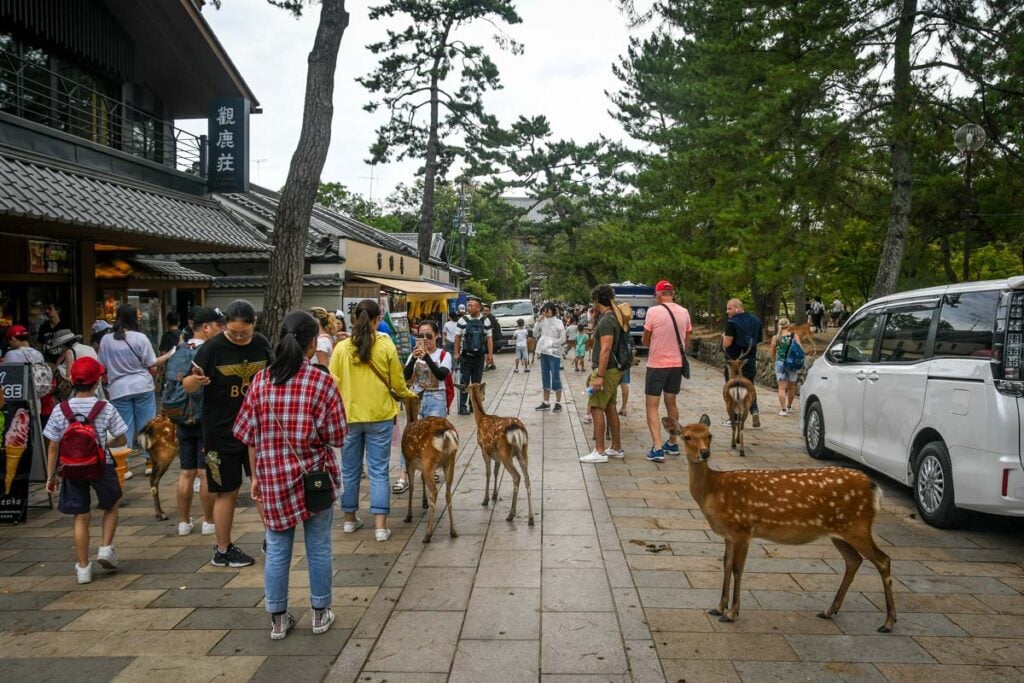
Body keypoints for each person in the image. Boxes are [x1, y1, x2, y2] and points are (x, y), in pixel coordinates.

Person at [234, 310, 347, 640]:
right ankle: (320, 611)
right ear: (313, 343)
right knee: (320, 547)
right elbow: (337, 435)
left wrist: (255, 475)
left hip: (272, 479)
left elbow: (246, 433)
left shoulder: (260, 381)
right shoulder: (321, 381)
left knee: (278, 549)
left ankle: (278, 619)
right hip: (315, 479)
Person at [185, 300, 273, 569]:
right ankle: (223, 549)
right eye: (233, 332)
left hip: (257, 430)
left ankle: (273, 539)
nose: (237, 337)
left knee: (263, 487)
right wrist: (196, 382)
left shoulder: (262, 344)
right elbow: (187, 384)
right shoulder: (211, 349)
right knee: (227, 491)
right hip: (221, 431)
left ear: (253, 325)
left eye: (243, 333)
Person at [329, 299, 416, 542]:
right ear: (378, 319)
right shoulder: (386, 345)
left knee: (349, 470)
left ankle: (349, 520)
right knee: (378, 471)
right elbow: (398, 382)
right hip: (380, 415)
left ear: (354, 318)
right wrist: (409, 395)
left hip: (348, 417)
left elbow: (332, 383)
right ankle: (380, 526)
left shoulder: (341, 348)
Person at [43, 357, 127, 584]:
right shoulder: (105, 407)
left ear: (72, 380)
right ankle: (106, 548)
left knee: (81, 516)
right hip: (102, 465)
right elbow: (121, 437)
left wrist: (52, 476)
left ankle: (82, 568)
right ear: (98, 382)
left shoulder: (61, 410)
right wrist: (104, 445)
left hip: (71, 468)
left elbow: (53, 445)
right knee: (112, 504)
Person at [164, 307, 222, 537]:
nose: (221, 329)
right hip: (205, 417)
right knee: (205, 471)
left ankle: (184, 522)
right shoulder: (210, 351)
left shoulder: (178, 349)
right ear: (206, 328)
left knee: (186, 472)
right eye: (218, 325)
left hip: (180, 416)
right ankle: (208, 521)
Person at [393, 320, 453, 493]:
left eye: (428, 336)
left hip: (436, 398)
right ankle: (403, 476)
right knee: (410, 437)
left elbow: (441, 375)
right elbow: (404, 376)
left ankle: (431, 469)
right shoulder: (414, 355)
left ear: (437, 336)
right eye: (420, 335)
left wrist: (426, 357)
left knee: (432, 438)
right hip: (417, 400)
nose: (425, 339)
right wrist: (415, 358)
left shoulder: (443, 355)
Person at [98, 304, 168, 448]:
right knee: (147, 425)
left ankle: (124, 463)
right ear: (132, 319)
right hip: (142, 386)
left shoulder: (106, 340)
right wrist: (170, 353)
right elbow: (152, 362)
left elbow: (101, 364)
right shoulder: (141, 338)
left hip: (118, 389)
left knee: (124, 427)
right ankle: (149, 462)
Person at [641, 280, 692, 462]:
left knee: (652, 405)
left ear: (659, 294)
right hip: (676, 365)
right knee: (671, 402)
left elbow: (646, 340)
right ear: (673, 294)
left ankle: (657, 447)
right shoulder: (684, 312)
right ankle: (672, 442)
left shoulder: (653, 312)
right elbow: (687, 340)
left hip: (657, 364)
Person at [580, 285, 624, 463]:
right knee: (611, 407)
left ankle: (599, 451)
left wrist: (599, 375)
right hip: (615, 370)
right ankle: (616, 447)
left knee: (597, 407)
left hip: (605, 370)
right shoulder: (616, 317)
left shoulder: (606, 321)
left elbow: (605, 349)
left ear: (597, 301)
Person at [722, 298, 762, 427]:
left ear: (737, 308)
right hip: (749, 360)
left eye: (729, 308)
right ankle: (754, 410)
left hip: (734, 362)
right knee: (749, 386)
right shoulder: (756, 320)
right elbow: (759, 339)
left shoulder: (732, 323)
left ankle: (734, 417)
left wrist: (723, 338)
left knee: (732, 389)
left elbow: (727, 343)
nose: (727, 311)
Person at [454, 297, 493, 415]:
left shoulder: (486, 321)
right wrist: (456, 353)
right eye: (468, 305)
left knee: (477, 382)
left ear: (478, 307)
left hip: (479, 357)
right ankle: (462, 407)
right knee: (464, 382)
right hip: (466, 356)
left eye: (471, 305)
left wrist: (490, 354)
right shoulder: (462, 320)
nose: (469, 307)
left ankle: (473, 405)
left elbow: (489, 338)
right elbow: (457, 337)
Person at [533, 303, 567, 411]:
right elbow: (534, 333)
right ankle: (546, 401)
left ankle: (558, 402)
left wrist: (552, 343)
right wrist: (538, 321)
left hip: (554, 352)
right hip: (544, 352)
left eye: (547, 311)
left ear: (553, 311)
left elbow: (563, 338)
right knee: (545, 375)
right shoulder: (542, 321)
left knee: (555, 376)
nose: (545, 313)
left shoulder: (558, 322)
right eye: (544, 311)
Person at [769, 317, 802, 415]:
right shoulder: (794, 336)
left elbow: (772, 352)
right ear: (788, 325)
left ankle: (783, 410)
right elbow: (800, 348)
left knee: (781, 388)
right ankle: (789, 406)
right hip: (792, 363)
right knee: (792, 387)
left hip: (780, 363)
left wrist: (775, 359)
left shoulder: (776, 337)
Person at [481, 304, 501, 370]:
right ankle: (492, 365)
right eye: (484, 310)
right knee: (489, 352)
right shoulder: (483, 318)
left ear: (490, 311)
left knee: (487, 352)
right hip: (487, 338)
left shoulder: (491, 319)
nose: (485, 312)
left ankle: (486, 366)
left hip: (491, 338)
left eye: (487, 311)